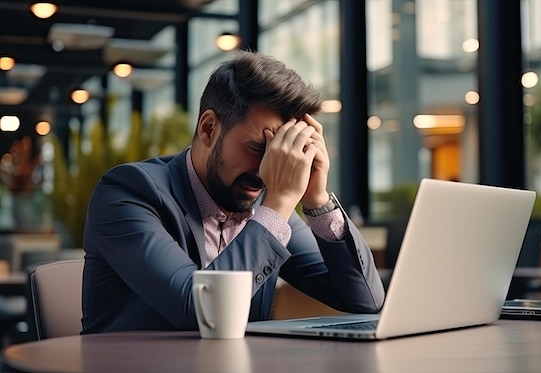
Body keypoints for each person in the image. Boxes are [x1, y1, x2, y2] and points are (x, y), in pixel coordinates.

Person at [81, 51, 385, 334]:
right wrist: (280, 202)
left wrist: (317, 200)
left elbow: (366, 301)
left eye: (283, 152)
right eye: (258, 148)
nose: (269, 169)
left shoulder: (267, 206)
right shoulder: (128, 193)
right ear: (209, 128)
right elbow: (200, 311)